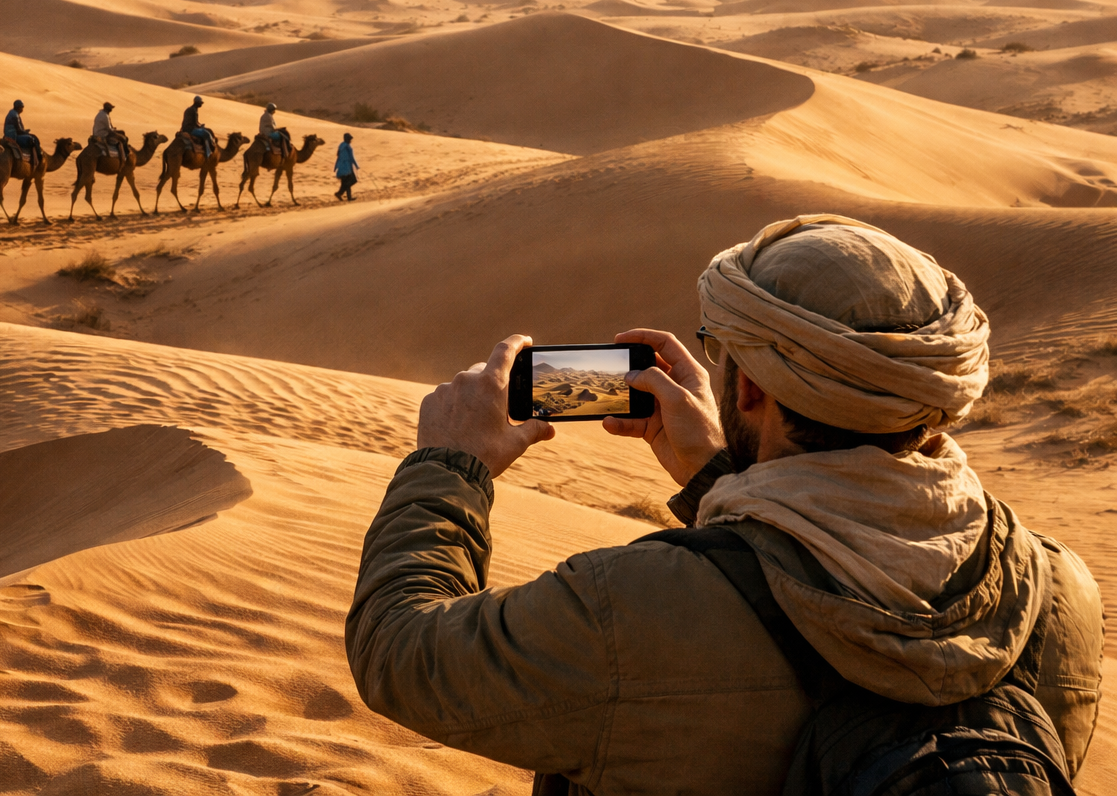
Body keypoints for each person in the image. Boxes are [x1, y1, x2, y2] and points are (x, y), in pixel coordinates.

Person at [346, 214, 1103, 795]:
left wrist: (449, 465)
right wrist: (719, 484)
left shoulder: (632, 607)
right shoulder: (1060, 591)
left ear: (746, 390)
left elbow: (401, 653)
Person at [4, 99, 41, 167]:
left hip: (9, 135)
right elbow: (18, 130)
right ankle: (36, 161)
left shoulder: (11, 113)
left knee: (32, 136)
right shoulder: (15, 115)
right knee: (32, 140)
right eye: (21, 108)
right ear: (19, 107)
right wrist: (25, 132)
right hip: (14, 137)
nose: (22, 110)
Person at [334, 132, 359, 201]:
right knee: (351, 181)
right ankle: (346, 196)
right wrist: (356, 165)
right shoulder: (347, 147)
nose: (350, 140)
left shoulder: (341, 146)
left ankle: (340, 194)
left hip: (341, 168)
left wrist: (336, 167)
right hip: (347, 168)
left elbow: (338, 157)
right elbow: (351, 158)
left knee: (345, 183)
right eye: (350, 139)